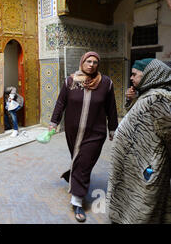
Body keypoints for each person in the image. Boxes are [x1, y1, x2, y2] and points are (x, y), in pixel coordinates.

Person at [49, 51, 118, 222]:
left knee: (85, 162)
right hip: (73, 132)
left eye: (95, 62)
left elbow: (111, 107)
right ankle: (72, 174)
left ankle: (77, 201)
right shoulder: (70, 81)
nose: (92, 64)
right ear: (82, 62)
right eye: (89, 61)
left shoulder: (106, 83)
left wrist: (112, 128)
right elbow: (61, 103)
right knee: (79, 160)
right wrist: (54, 121)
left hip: (96, 132)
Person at [107, 58, 171, 224]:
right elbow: (140, 119)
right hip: (134, 166)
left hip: (145, 169)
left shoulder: (160, 99)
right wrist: (133, 100)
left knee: (141, 209)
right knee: (129, 204)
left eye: (135, 74)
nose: (131, 77)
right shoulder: (149, 95)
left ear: (150, 75)